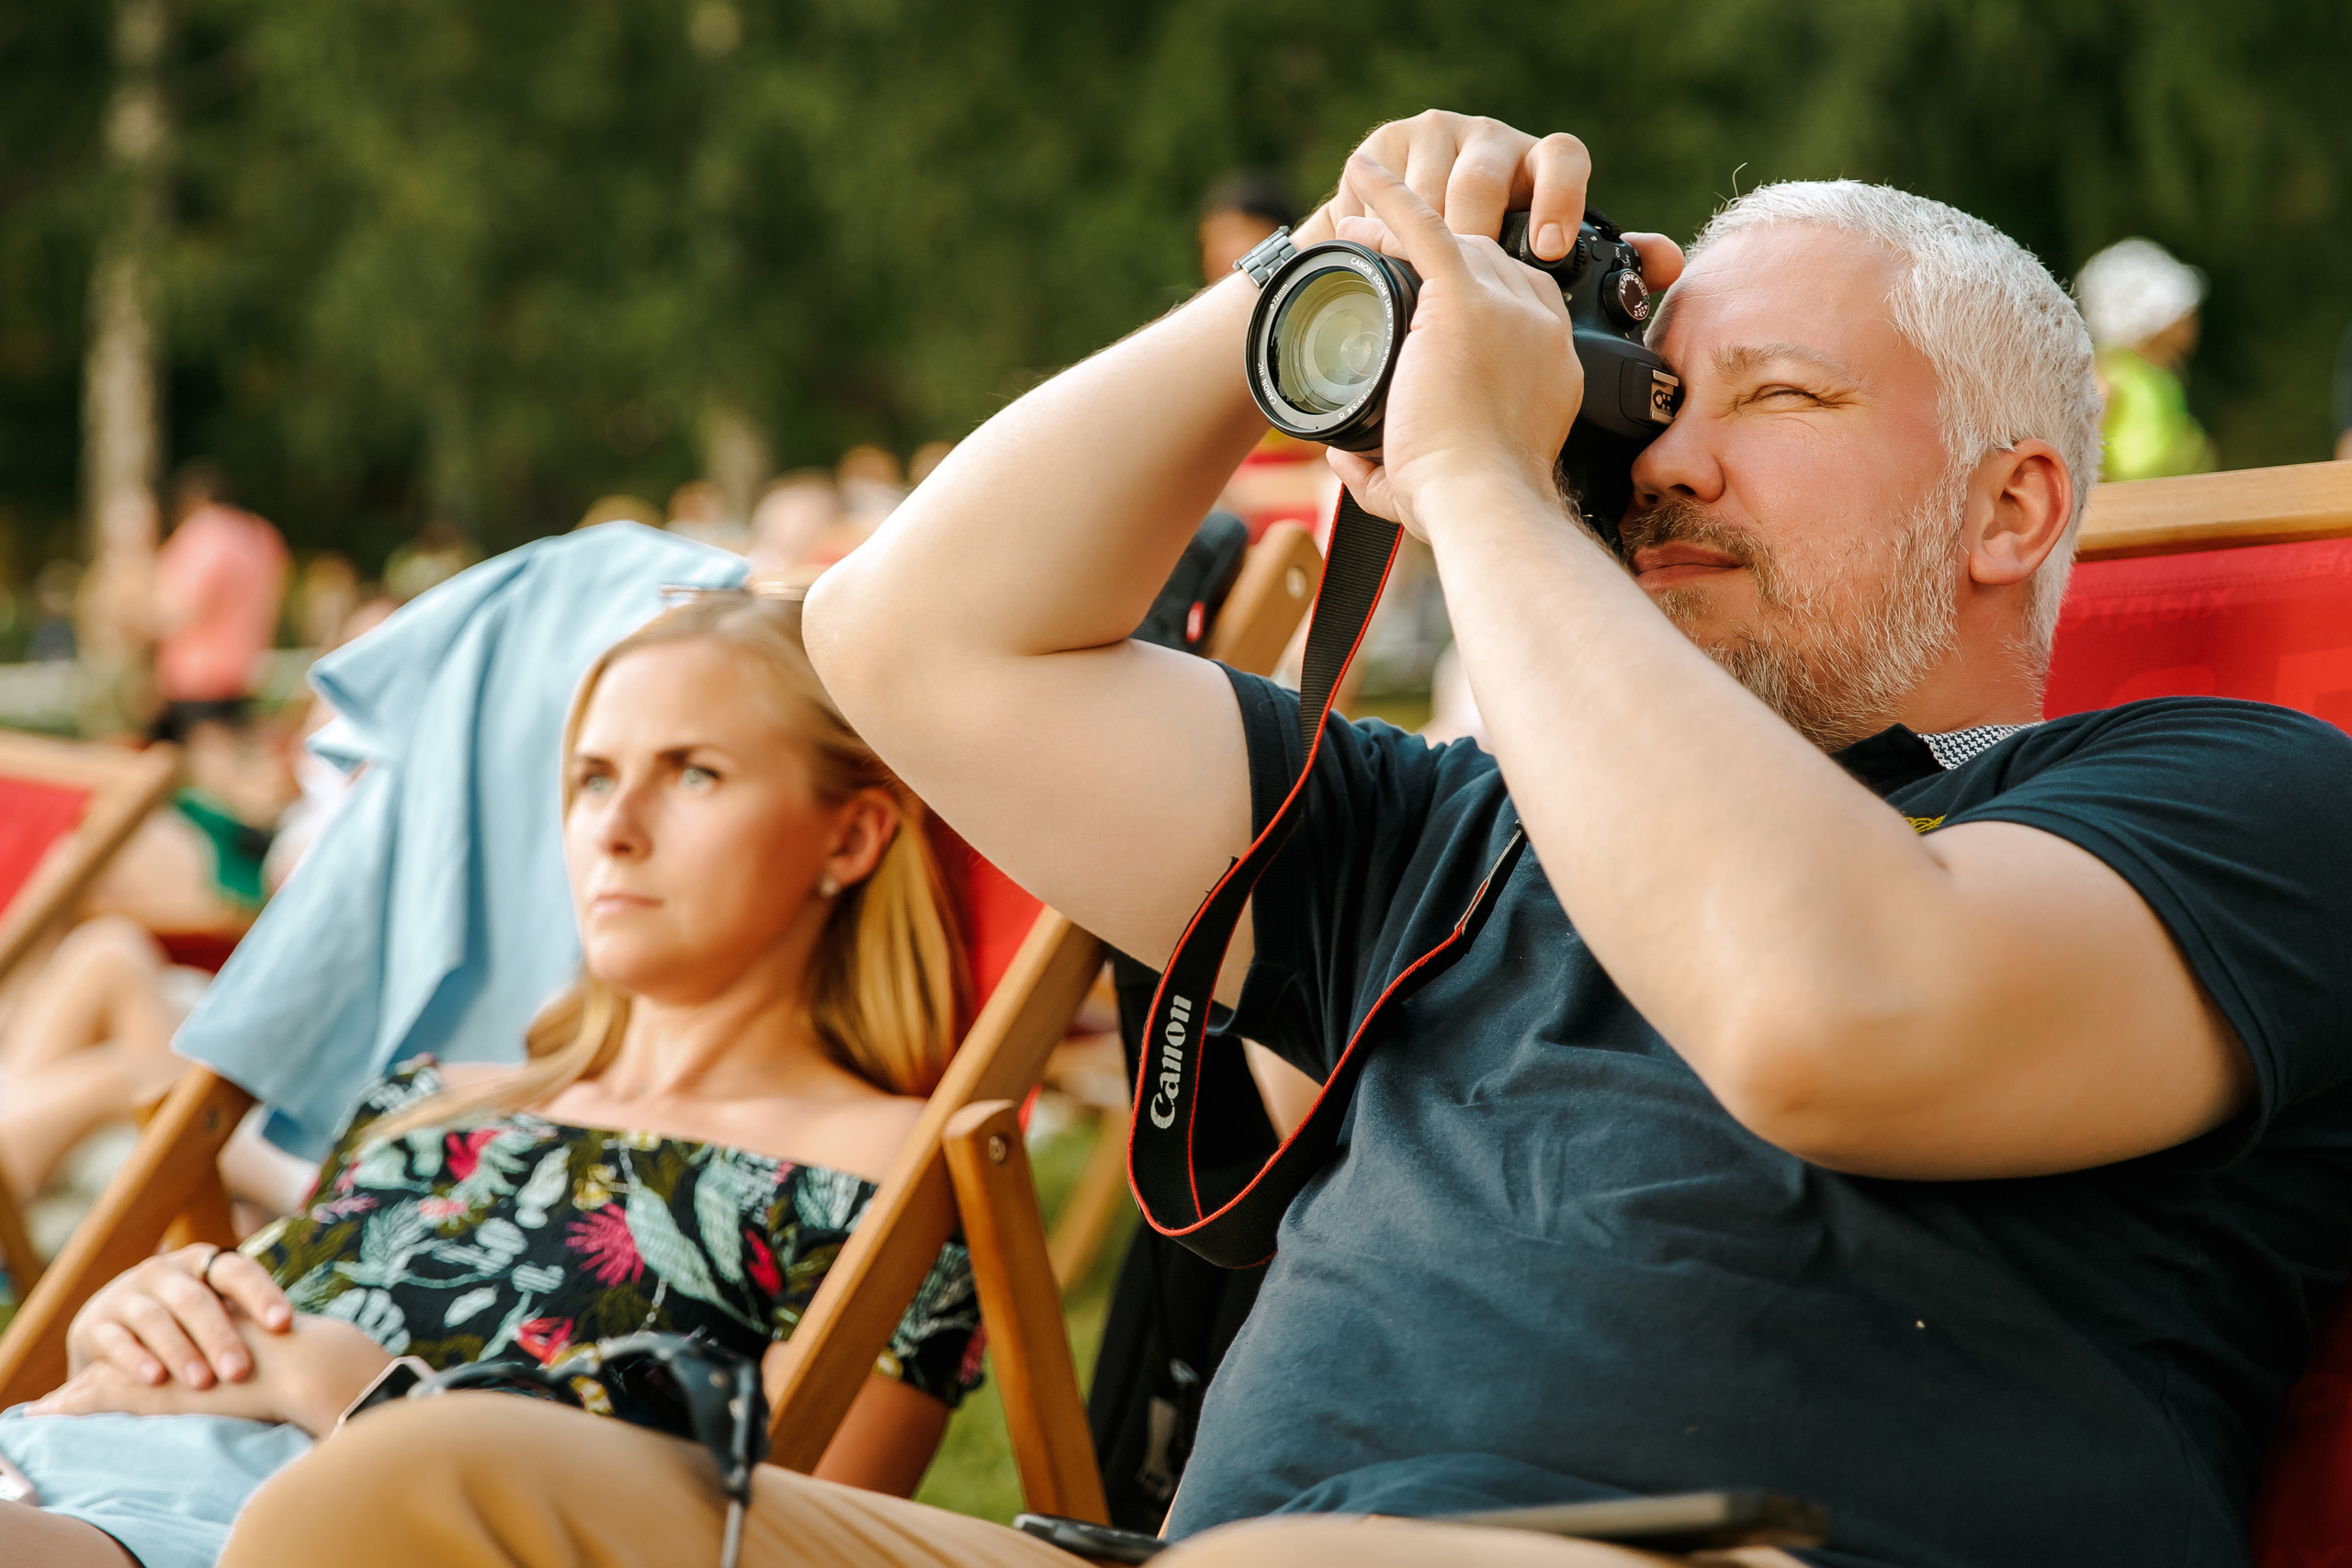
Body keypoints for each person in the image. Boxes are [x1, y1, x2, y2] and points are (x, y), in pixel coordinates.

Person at [230, 111, 2352, 1568]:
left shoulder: (2227, 797)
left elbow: (1827, 1007)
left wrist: (1485, 484)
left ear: (2008, 507)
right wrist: (1318, 291)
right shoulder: (1452, 844)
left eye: (1774, 401)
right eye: (1650, 391)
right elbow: (904, 636)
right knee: (420, 1497)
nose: (1666, 456)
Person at [0, 590, 982, 1567]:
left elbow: (795, 1545)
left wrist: (364, 1392)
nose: (616, 828)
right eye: (593, 780)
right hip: (51, 1465)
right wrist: (130, 1326)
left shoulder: (883, 1171)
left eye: (694, 774)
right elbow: (240, 1349)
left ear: (849, 838)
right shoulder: (432, 1104)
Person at [150, 464, 289, 745]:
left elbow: (179, 613)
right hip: (245, 673)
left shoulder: (203, 534)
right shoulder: (261, 535)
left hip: (196, 679)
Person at [2076, 236, 2216, 481]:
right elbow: (2084, 437)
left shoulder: (2160, 372)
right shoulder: (2111, 371)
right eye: (2180, 311)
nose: (2192, 316)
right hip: (2136, 503)